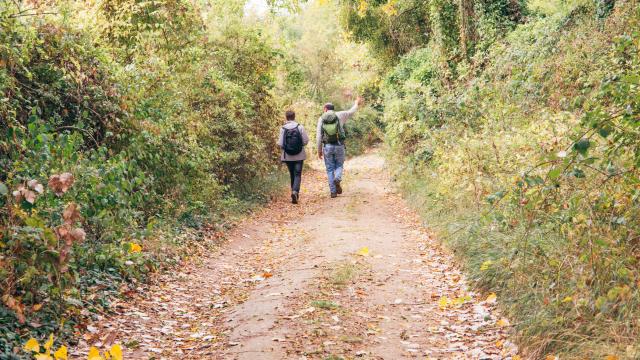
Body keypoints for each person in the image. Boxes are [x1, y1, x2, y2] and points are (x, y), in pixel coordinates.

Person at [317, 97, 364, 198]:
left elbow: (319, 136)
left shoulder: (321, 118)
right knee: (339, 165)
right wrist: (356, 103)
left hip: (327, 146)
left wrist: (319, 150)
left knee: (329, 169)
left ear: (325, 109)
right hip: (339, 145)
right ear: (333, 109)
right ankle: (337, 178)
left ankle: (333, 192)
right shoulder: (340, 115)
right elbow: (352, 111)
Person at [278, 110, 309, 204]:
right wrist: (299, 146)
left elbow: (280, 143)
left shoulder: (283, 128)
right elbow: (306, 141)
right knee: (297, 174)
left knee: (292, 174)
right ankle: (295, 192)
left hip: (287, 156)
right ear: (294, 117)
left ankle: (293, 192)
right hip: (299, 155)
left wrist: (287, 148)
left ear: (286, 117)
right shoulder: (300, 127)